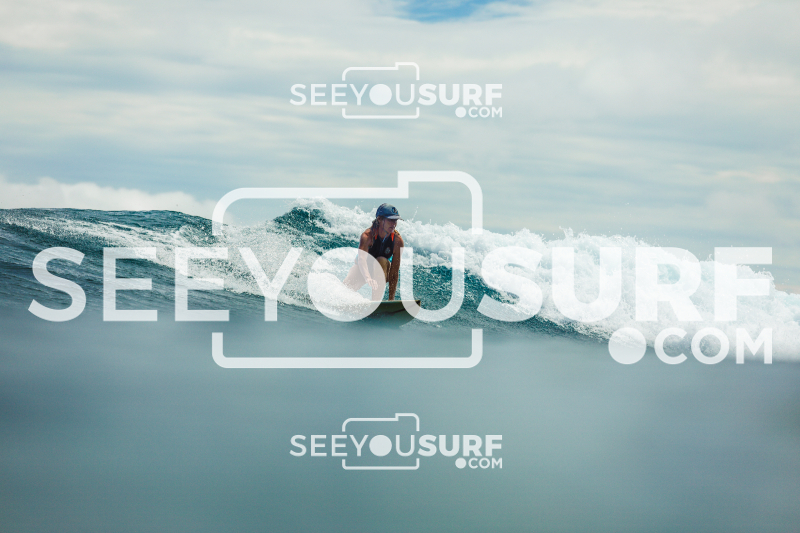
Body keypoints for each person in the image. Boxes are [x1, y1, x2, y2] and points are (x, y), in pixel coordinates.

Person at [343, 203, 405, 301]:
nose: (393, 224)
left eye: (395, 220)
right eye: (390, 220)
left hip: (382, 270)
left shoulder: (397, 241)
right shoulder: (367, 236)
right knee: (344, 290)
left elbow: (394, 273)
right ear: (379, 219)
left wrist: (391, 300)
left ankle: (375, 302)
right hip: (363, 269)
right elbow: (361, 260)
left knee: (381, 261)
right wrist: (368, 278)